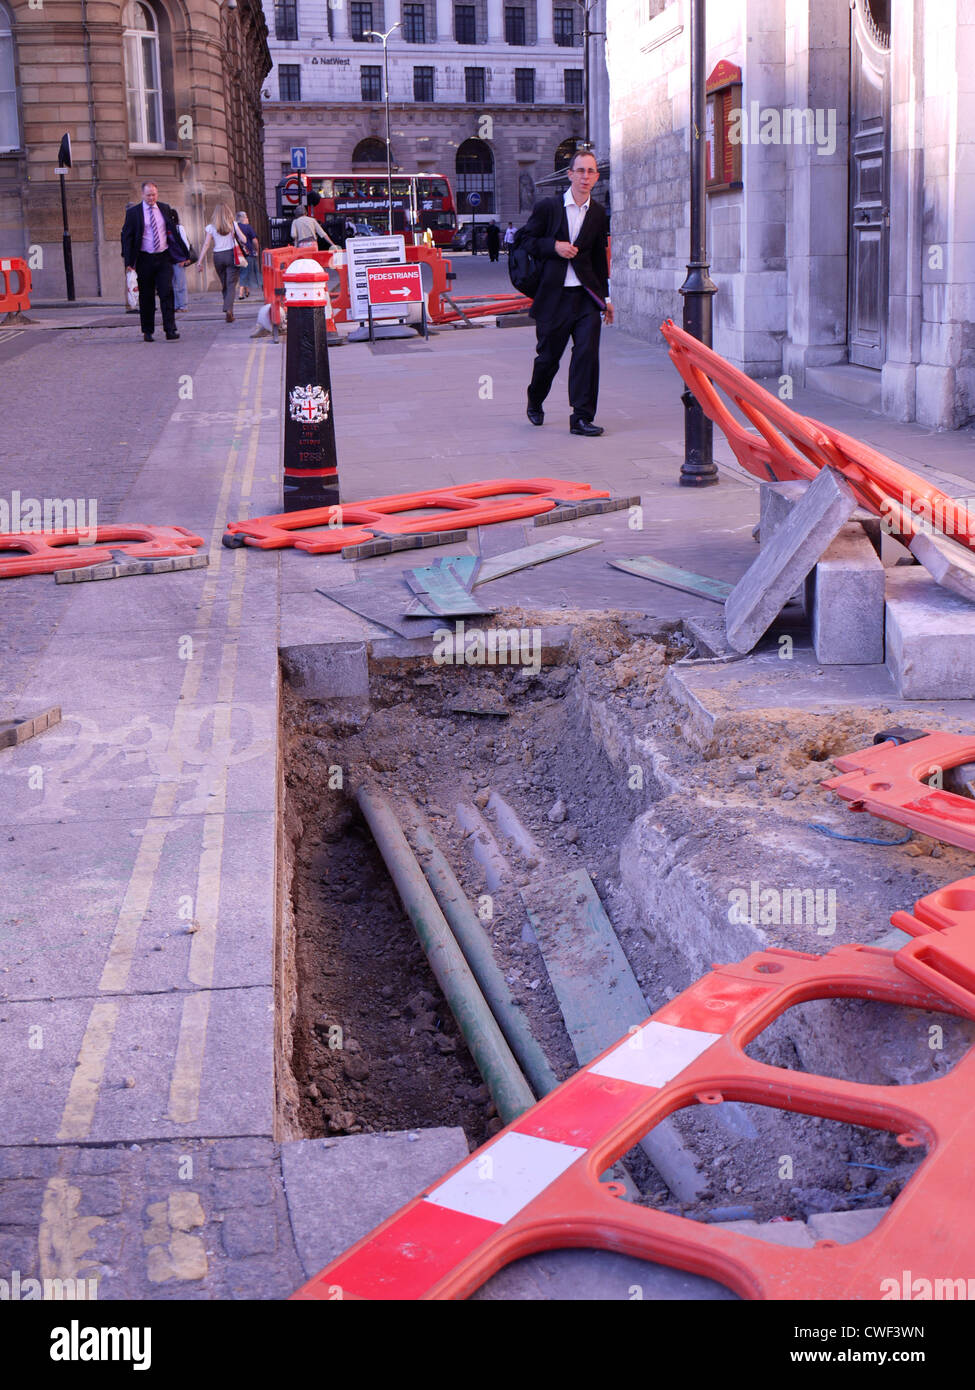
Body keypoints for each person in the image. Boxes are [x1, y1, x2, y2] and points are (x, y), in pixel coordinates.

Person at [520, 150, 613, 436]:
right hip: (554, 297)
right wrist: (554, 247)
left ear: (596, 177)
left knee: (587, 354)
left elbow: (599, 258)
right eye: (580, 171)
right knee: (548, 358)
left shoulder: (598, 213)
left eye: (591, 172)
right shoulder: (548, 208)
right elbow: (525, 241)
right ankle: (535, 399)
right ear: (569, 174)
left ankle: (582, 417)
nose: (586, 177)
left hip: (585, 297)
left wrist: (605, 299)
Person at [120, 181, 187, 342]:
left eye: (154, 194)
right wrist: (129, 261)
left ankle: (170, 329)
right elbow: (126, 237)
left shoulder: (164, 208)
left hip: (163, 257)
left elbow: (173, 232)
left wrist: (182, 253)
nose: (152, 198)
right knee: (146, 296)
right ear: (143, 194)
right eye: (149, 195)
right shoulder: (134, 213)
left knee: (167, 293)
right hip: (144, 258)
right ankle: (148, 330)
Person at [195, 204, 249, 323]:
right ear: (228, 213)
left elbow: (206, 245)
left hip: (218, 257)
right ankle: (228, 309)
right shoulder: (233, 224)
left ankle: (229, 312)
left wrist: (200, 261)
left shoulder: (210, 227)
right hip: (231, 255)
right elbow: (244, 239)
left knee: (224, 284)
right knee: (231, 285)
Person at [235, 210, 261, 301]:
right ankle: (241, 293)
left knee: (244, 271)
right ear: (242, 219)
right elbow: (255, 241)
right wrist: (257, 250)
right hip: (248, 253)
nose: (248, 218)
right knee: (245, 272)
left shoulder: (235, 228)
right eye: (246, 217)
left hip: (236, 253)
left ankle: (247, 291)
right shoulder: (248, 227)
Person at [171, 208, 192, 312]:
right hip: (169, 260)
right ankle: (176, 305)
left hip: (179, 259)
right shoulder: (165, 229)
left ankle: (183, 305)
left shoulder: (179, 228)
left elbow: (186, 244)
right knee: (173, 284)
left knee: (180, 284)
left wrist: (187, 258)